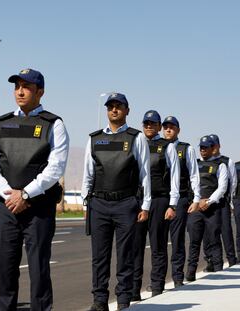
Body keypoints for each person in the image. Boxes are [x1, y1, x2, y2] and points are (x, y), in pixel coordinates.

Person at [0, 68, 69, 311]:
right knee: (6, 272)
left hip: (38, 208)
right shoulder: (2, 123)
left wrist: (26, 194)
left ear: (40, 92)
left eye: (26, 87)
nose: (20, 91)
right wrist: (9, 194)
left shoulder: (54, 124)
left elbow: (55, 167)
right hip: (5, 206)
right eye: (17, 86)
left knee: (39, 270)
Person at [81, 93, 150, 311]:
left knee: (125, 254)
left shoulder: (136, 138)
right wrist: (86, 205)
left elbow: (145, 174)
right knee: (99, 256)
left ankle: (123, 300)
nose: (114, 110)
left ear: (127, 110)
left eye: (118, 106)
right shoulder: (94, 139)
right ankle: (99, 300)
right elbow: (88, 175)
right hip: (99, 204)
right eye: (110, 106)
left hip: (126, 204)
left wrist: (145, 205)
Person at [133, 110, 180, 298]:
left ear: (159, 126)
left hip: (160, 201)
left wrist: (173, 204)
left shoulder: (166, 147)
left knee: (158, 246)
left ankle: (157, 286)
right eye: (146, 123)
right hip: (138, 200)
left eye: (153, 123)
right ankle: (134, 290)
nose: (149, 126)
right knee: (135, 247)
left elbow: (175, 176)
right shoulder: (136, 144)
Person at [162, 116, 201, 287]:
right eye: (166, 127)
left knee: (177, 239)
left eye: (172, 127)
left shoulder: (187, 149)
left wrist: (197, 199)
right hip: (161, 199)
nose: (168, 130)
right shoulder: (158, 147)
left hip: (180, 199)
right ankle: (159, 281)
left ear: (178, 129)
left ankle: (178, 278)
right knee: (159, 241)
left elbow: (194, 175)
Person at [186, 135, 228, 281]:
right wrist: (197, 202)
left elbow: (222, 188)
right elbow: (191, 183)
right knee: (194, 242)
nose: (203, 150)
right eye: (201, 148)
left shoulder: (220, 165)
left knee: (214, 239)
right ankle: (190, 274)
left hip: (211, 209)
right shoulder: (194, 164)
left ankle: (219, 271)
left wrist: (208, 202)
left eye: (206, 148)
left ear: (213, 148)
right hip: (196, 208)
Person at [202, 134, 237, 271]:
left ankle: (232, 260)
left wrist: (230, 201)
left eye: (215, 145)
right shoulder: (205, 161)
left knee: (226, 232)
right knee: (209, 234)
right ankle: (211, 261)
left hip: (222, 203)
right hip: (207, 204)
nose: (213, 148)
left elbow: (233, 183)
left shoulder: (227, 161)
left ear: (218, 145)